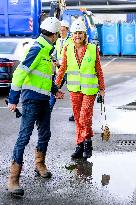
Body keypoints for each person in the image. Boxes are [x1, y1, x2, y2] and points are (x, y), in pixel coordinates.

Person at [7, 17, 64, 196]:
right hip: (31, 100)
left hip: (43, 99)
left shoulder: (47, 51)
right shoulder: (37, 49)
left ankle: (39, 164)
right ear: (54, 35)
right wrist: (13, 99)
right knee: (23, 138)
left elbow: (44, 76)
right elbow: (19, 74)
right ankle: (13, 180)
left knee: (45, 133)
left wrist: (55, 90)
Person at [55, 19, 105, 160]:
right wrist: (55, 86)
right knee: (78, 119)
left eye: (80, 33)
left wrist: (102, 88)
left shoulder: (93, 49)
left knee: (84, 117)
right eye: (75, 33)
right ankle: (80, 145)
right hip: (75, 89)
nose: (78, 35)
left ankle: (87, 143)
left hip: (89, 90)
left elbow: (98, 70)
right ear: (72, 35)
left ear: (85, 34)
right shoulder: (67, 48)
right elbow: (62, 68)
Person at [50, 20, 74, 121]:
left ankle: (75, 113)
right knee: (53, 91)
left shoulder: (71, 41)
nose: (61, 32)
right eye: (60, 30)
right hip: (59, 71)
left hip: (70, 72)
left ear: (67, 30)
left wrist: (61, 63)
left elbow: (72, 57)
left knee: (74, 93)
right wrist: (54, 60)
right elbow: (55, 53)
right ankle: (47, 112)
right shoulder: (58, 41)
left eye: (63, 30)